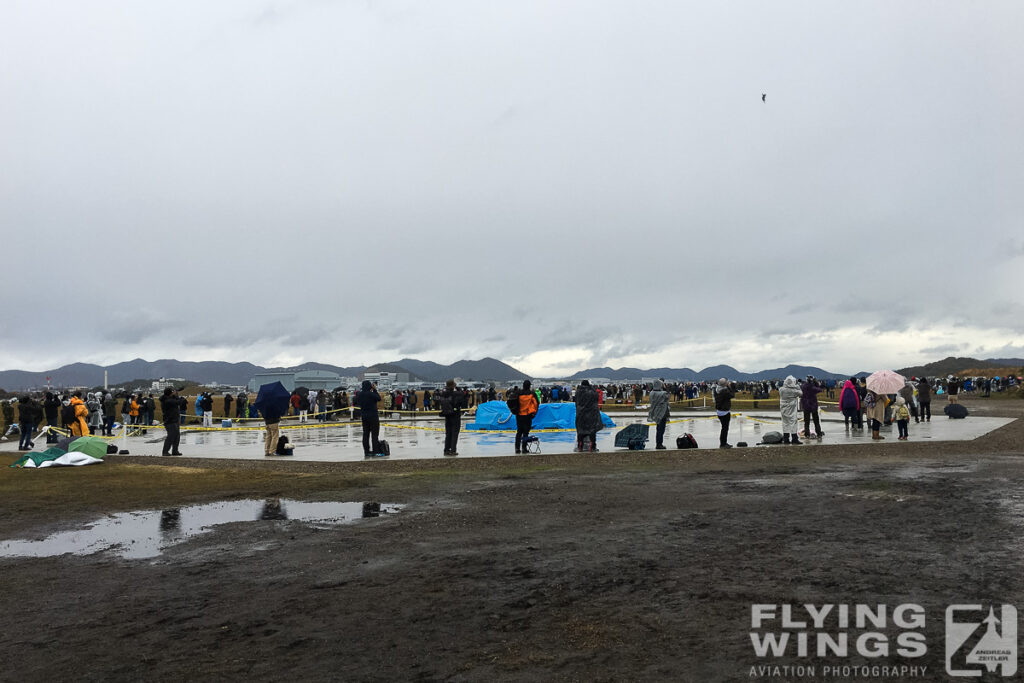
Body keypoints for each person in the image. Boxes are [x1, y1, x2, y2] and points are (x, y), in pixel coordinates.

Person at [354, 380, 382, 456]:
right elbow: (379, 398)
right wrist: (374, 389)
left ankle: (366, 451)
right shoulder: (371, 394)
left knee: (365, 434)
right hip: (373, 416)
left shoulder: (359, 394)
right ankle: (375, 451)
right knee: (374, 434)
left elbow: (357, 402)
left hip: (364, 416)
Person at [576, 380, 604, 452]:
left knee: (580, 430)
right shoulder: (592, 392)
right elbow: (596, 397)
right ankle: (592, 445)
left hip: (581, 414)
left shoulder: (578, 392)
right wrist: (591, 388)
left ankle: (580, 445)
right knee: (592, 430)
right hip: (591, 413)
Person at [439, 379, 464, 456]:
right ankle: (453, 450)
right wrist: (458, 387)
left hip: (447, 414)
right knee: (455, 433)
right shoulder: (455, 393)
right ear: (453, 385)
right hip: (455, 414)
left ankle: (446, 450)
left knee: (448, 433)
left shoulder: (443, 393)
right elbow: (462, 395)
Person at [514, 380, 539, 454]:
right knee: (525, 432)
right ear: (529, 386)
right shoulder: (532, 394)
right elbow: (536, 404)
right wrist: (534, 413)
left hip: (519, 415)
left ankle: (517, 448)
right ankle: (524, 448)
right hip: (528, 416)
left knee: (519, 432)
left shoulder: (518, 393)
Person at [779, 376, 803, 445]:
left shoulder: (781, 389)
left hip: (783, 408)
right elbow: (801, 393)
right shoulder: (794, 391)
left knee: (785, 422)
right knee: (793, 422)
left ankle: (786, 438)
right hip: (791, 408)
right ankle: (794, 438)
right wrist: (797, 386)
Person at [646, 379, 669, 450]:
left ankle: (658, 443)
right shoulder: (663, 393)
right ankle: (659, 444)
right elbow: (667, 397)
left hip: (656, 412)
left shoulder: (651, 393)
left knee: (658, 429)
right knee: (661, 429)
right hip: (662, 413)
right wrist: (664, 387)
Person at [159, 387, 183, 456]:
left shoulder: (169, 398)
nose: (174, 393)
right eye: (172, 392)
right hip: (170, 420)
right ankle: (165, 451)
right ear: (169, 393)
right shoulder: (166, 400)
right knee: (171, 436)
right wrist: (179, 397)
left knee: (177, 436)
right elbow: (178, 402)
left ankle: (175, 450)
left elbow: (176, 401)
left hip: (175, 419)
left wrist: (175, 395)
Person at [713, 378, 735, 448]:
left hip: (719, 411)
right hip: (725, 411)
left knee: (723, 428)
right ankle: (723, 443)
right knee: (725, 429)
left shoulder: (716, 390)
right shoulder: (724, 391)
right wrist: (730, 387)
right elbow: (732, 395)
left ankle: (723, 442)